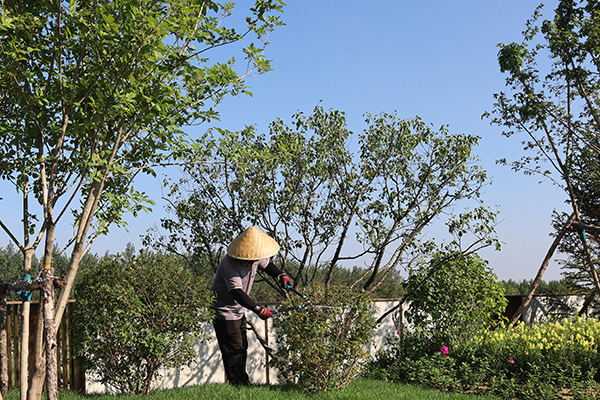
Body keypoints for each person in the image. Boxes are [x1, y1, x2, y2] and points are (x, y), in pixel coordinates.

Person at [211, 226, 292, 386]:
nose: (257, 260)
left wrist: (280, 275)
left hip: (238, 311)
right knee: (234, 350)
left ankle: (242, 386)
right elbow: (237, 293)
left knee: (242, 347)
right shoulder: (230, 264)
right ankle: (239, 386)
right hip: (225, 312)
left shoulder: (253, 256)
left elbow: (267, 266)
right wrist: (259, 309)